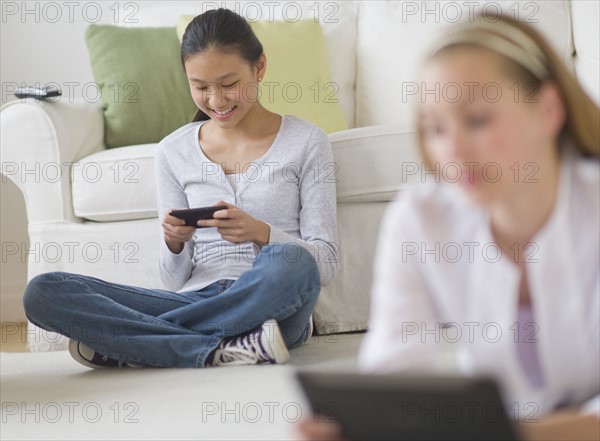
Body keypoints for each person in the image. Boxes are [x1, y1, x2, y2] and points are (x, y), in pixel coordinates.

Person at [298, 12, 599, 441]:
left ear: (548, 110)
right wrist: (365, 426)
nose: (452, 149)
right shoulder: (421, 218)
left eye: (477, 120)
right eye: (435, 128)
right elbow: (394, 374)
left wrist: (513, 435)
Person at [22, 8, 338, 369]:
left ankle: (140, 341)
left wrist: (261, 233)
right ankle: (225, 348)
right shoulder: (174, 150)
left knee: (291, 262)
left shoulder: (307, 141)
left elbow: (324, 264)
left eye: (228, 84)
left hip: (274, 307)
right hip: (196, 298)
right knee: (43, 292)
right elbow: (173, 281)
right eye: (201, 87)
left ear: (260, 67)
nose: (216, 101)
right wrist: (174, 242)